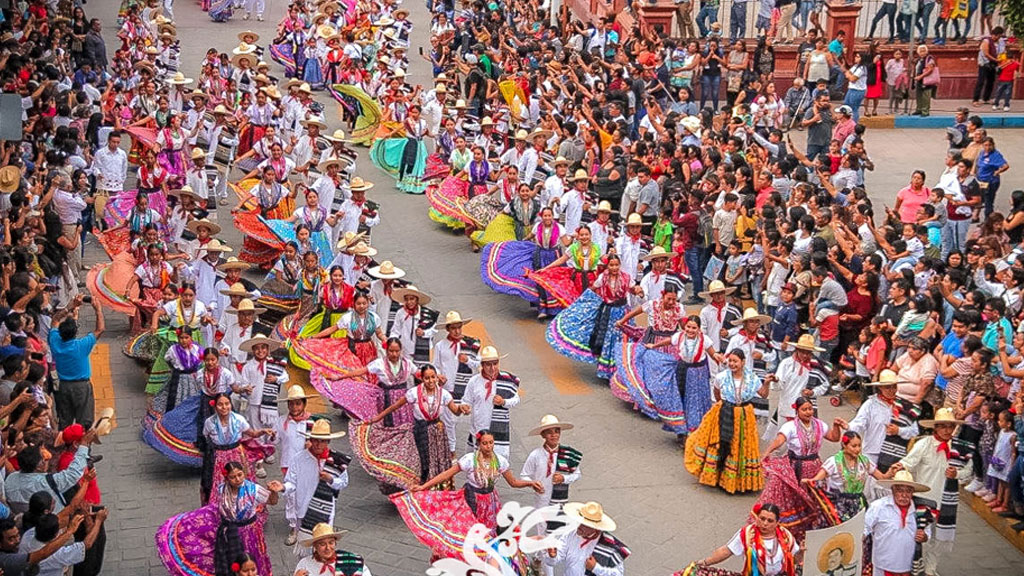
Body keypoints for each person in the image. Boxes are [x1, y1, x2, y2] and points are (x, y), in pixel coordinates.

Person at [390, 429, 543, 559]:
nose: (488, 446)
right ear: (478, 444)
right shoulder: (470, 460)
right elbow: (447, 474)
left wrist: (530, 483)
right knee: (470, 533)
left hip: (490, 502)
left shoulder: (500, 461)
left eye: (491, 443)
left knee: (489, 534)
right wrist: (424, 486)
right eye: (485, 443)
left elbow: (513, 482)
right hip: (472, 500)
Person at [156, 460, 283, 576]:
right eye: (233, 477)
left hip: (248, 531)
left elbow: (272, 501)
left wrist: (274, 492)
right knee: (231, 560)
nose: (237, 479)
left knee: (249, 560)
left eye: (240, 475)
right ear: (227, 478)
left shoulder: (254, 490)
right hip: (228, 531)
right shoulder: (222, 489)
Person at [685, 348, 768, 493]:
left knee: (739, 445)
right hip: (724, 412)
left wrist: (766, 383)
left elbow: (763, 394)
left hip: (744, 416)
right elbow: (717, 392)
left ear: (743, 362)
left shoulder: (752, 378)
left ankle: (737, 481)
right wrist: (723, 407)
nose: (732, 364)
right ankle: (717, 476)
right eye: (730, 361)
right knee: (720, 444)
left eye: (735, 361)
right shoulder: (722, 376)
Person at [282, 419, 349, 547]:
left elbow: (344, 482)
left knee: (323, 547)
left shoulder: (337, 461)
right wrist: (283, 487)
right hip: (304, 509)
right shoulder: (299, 458)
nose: (318, 444)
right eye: (316, 440)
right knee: (305, 547)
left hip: (325, 509)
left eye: (322, 441)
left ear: (328, 442)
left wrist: (331, 479)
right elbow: (291, 482)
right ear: (310, 440)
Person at [694, 503, 798, 576]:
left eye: (770, 521)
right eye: (762, 519)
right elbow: (726, 551)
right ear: (757, 518)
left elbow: (795, 559)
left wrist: (802, 553)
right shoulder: (746, 534)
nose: (765, 523)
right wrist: (704, 562)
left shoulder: (786, 536)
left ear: (777, 523)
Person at [48, 296, 104, 429]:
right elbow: (100, 329)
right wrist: (98, 310)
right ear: (75, 333)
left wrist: (70, 307)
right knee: (84, 422)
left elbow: (55, 320)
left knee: (65, 421)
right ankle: (83, 446)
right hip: (81, 388)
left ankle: (65, 444)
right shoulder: (81, 345)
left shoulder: (55, 341)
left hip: (64, 386)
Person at [863, 470, 931, 576]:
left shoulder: (921, 511)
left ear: (912, 492)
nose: (904, 495)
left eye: (908, 491)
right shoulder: (878, 507)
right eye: (899, 490)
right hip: (883, 564)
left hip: (908, 565)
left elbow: (927, 532)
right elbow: (864, 529)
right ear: (893, 490)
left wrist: (924, 536)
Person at [543, 501, 629, 576]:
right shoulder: (569, 535)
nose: (580, 526)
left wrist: (596, 568)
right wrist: (552, 556)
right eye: (580, 522)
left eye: (585, 525)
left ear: (595, 528)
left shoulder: (611, 547)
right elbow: (552, 562)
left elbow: (618, 574)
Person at [294, 523, 373, 576]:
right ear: (315, 546)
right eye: (322, 544)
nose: (328, 548)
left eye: (331, 543)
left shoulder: (351, 561)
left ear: (335, 543)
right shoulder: (305, 564)